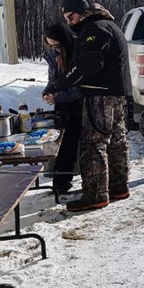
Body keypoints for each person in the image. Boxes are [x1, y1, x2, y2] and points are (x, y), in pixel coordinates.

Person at [53, 0, 132, 212]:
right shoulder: (106, 25)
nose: (69, 22)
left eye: (71, 17)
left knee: (93, 143)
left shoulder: (94, 28)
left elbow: (88, 63)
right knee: (116, 139)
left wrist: (59, 84)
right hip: (116, 93)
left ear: (82, 11)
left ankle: (96, 195)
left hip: (100, 94)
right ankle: (118, 186)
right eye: (66, 19)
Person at [40, 22, 82, 198]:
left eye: (57, 46)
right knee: (61, 144)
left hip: (77, 104)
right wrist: (48, 91)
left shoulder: (76, 54)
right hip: (62, 106)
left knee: (70, 145)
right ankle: (59, 182)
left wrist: (58, 96)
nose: (54, 49)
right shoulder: (53, 56)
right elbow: (53, 79)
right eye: (51, 46)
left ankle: (63, 183)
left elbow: (79, 87)